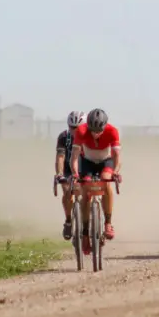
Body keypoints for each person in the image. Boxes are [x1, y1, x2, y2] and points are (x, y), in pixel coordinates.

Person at [69, 108, 122, 255]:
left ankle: (108, 223)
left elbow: (117, 156)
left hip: (106, 161)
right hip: (87, 162)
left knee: (106, 182)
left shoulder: (113, 131)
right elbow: (74, 157)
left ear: (105, 126)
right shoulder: (81, 131)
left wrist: (116, 172)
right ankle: (85, 233)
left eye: (99, 130)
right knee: (86, 189)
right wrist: (74, 173)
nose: (95, 133)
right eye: (92, 130)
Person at [55, 110, 85, 240]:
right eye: (72, 127)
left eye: (77, 128)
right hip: (68, 169)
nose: (74, 131)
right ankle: (68, 221)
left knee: (87, 193)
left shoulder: (89, 136)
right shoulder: (63, 137)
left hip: (84, 167)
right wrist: (60, 174)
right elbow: (60, 157)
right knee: (68, 193)